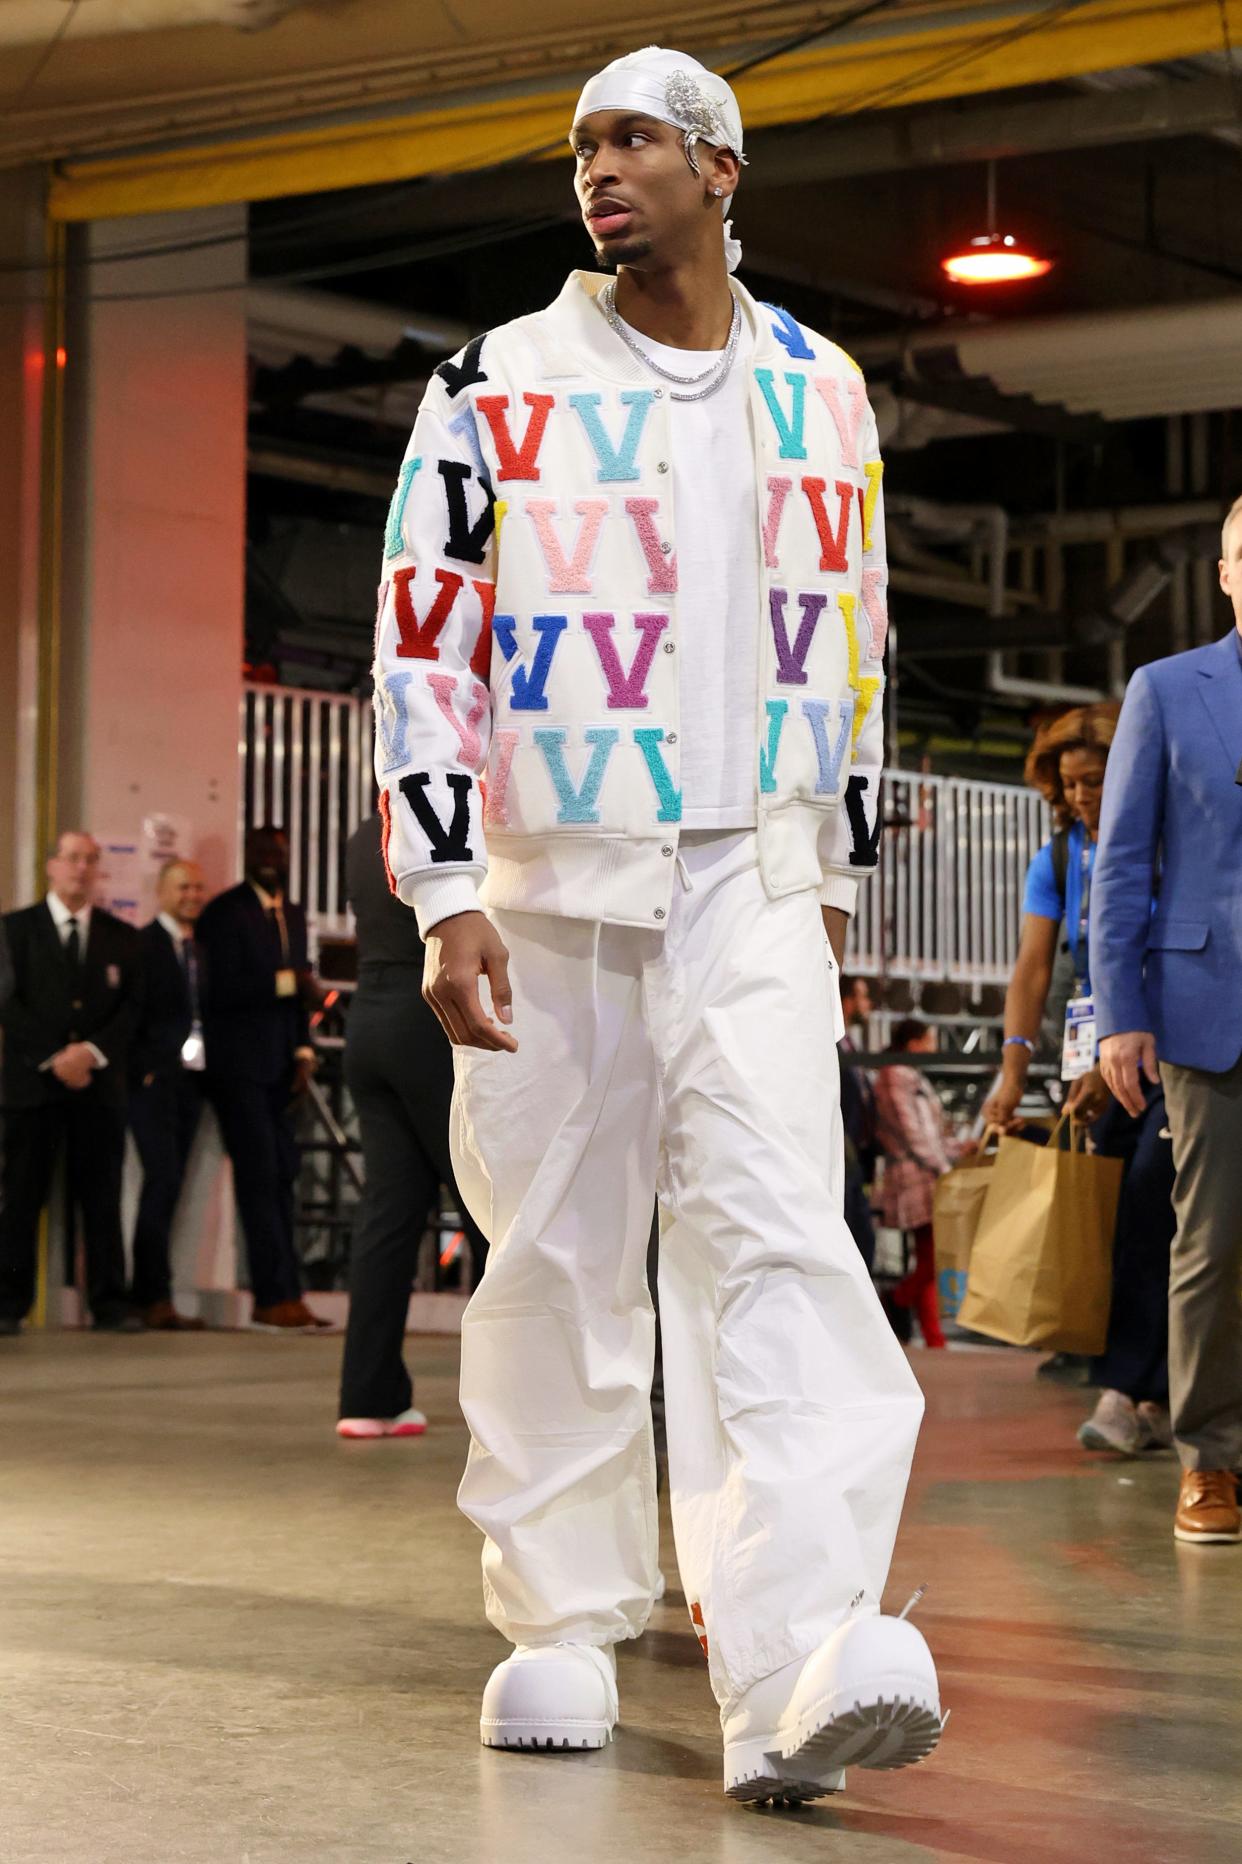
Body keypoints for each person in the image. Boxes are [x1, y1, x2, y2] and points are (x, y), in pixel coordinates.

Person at [372, 43, 938, 1806]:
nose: (595, 169)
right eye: (579, 146)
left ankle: (800, 1651)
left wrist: (833, 889)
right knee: (548, 1238)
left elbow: (858, 641)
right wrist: (442, 886)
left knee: (780, 1230)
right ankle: (558, 1614)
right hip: (550, 877)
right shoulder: (496, 380)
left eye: (629, 139)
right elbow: (422, 632)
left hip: (755, 875)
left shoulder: (823, 386)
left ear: (720, 167)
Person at [1094, 492, 1242, 1544]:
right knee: (1212, 1244)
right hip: (1206, 1008)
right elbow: (1120, 863)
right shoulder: (1165, 688)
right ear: (1226, 571)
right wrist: (1119, 1013)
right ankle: (1210, 1456)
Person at [983, 705, 1174, 1456]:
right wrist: (1012, 1068)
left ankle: (1131, 1390)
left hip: (1172, 1055)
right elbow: (1032, 969)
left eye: (1095, 780)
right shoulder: (1058, 859)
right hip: (1097, 1062)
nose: (1083, 796)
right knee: (1120, 1224)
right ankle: (1146, 1391)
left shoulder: (1166, 844)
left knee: (1150, 1202)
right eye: (1070, 784)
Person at [336, 812, 489, 1439]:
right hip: (433, 1024)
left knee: (388, 1219)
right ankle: (512, 1399)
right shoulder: (451, 819)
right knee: (489, 1210)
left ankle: (368, 1398)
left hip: (368, 1019)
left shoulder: (356, 837)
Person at [0, 831, 142, 1334]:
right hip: (32, 1088)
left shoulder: (122, 937)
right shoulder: (15, 930)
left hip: (99, 1090)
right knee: (20, 1198)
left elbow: (133, 1010)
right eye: (72, 859)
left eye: (90, 860)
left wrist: (91, 1053)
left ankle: (110, 1304)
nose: (81, 868)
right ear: (51, 867)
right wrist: (54, 1057)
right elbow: (7, 1004)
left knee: (101, 1198)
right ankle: (7, 1304)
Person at [196, 826, 329, 1332]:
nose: (272, 858)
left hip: (280, 1066)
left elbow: (300, 993)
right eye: (262, 851)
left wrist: (303, 1051)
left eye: (280, 850)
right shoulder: (223, 913)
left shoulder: (291, 913)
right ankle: (271, 1296)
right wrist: (288, 982)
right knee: (257, 1179)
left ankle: (290, 1293)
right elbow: (219, 988)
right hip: (238, 1068)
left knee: (282, 1177)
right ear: (246, 855)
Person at [127, 859, 209, 1330]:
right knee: (160, 1184)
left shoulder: (200, 947)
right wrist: (146, 1073)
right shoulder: (143, 945)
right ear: (161, 891)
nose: (192, 895)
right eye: (183, 887)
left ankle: (157, 1294)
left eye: (198, 887)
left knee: (173, 1185)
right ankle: (149, 1295)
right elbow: (131, 1016)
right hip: (154, 1084)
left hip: (191, 1083)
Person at [874, 1020, 965, 1350]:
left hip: (923, 1172)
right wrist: (943, 1165)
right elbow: (914, 1132)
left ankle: (933, 1338)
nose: (933, 1047)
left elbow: (929, 1134)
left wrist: (953, 1150)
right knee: (932, 1258)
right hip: (917, 1177)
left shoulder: (906, 1076)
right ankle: (896, 1300)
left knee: (927, 1256)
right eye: (929, 1040)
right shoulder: (897, 1077)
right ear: (913, 1044)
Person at [838, 974, 877, 1273]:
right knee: (855, 1237)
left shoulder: (849, 1043)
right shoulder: (830, 1040)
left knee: (863, 1238)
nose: (869, 1004)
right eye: (863, 997)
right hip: (840, 1153)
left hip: (855, 1157)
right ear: (848, 1000)